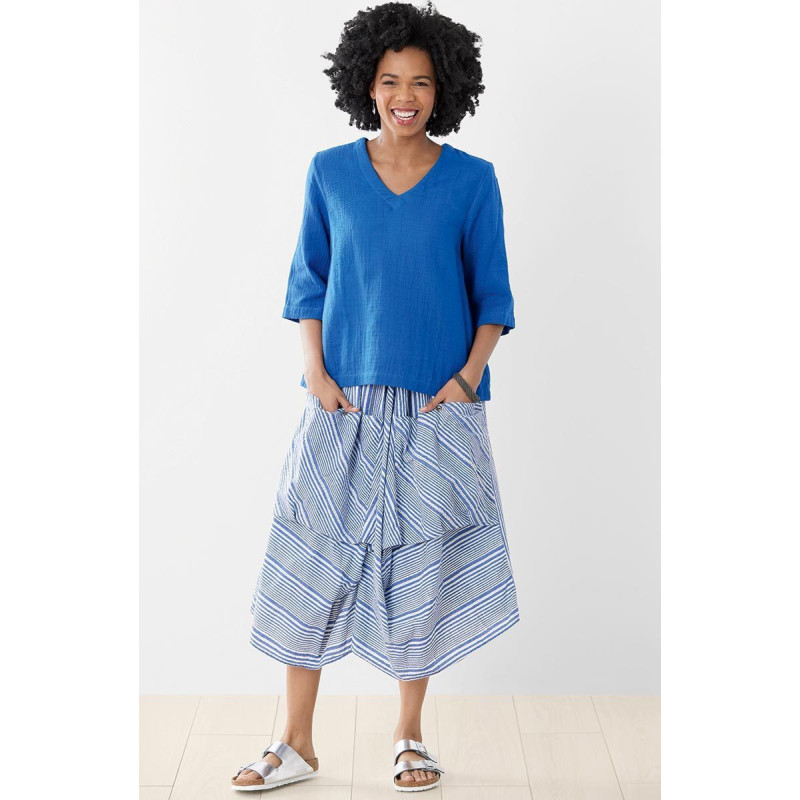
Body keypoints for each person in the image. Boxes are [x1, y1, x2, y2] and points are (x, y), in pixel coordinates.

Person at [232, 1, 520, 793]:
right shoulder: (330, 171)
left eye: (421, 82)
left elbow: (493, 299)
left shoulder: (471, 181)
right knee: (311, 559)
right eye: (391, 80)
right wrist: (317, 375)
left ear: (444, 89)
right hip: (343, 403)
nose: (406, 96)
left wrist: (464, 381)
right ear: (366, 84)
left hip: (437, 407)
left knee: (419, 570)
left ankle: (409, 735)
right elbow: (308, 284)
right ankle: (295, 742)